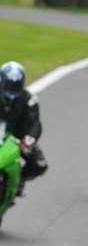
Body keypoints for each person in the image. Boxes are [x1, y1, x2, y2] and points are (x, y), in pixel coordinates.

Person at [0, 61, 48, 191]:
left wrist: (28, 140)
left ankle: (18, 180)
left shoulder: (29, 99)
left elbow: (35, 123)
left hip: (17, 136)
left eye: (15, 86)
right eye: (8, 85)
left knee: (40, 165)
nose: (11, 91)